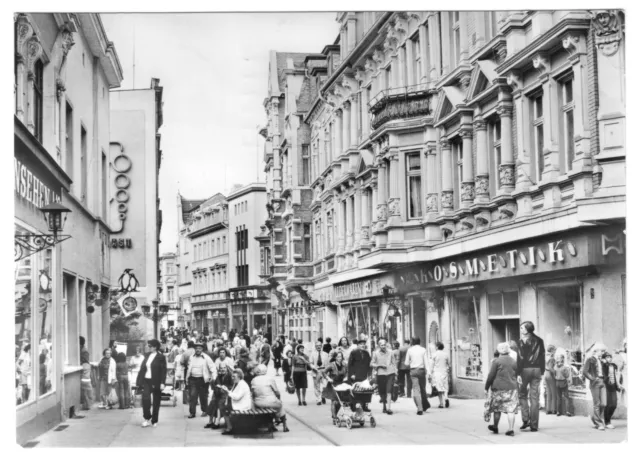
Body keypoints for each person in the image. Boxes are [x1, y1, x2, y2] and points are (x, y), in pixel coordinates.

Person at [485, 342, 519, 437]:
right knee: (511, 409)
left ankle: (495, 426)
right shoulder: (513, 361)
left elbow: (491, 375)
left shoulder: (496, 361)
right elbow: (516, 374)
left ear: (499, 350)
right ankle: (511, 429)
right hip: (512, 388)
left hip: (498, 389)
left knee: (497, 409)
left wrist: (486, 387)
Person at [516, 321, 545, 432]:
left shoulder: (522, 341)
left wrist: (518, 373)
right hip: (537, 370)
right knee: (534, 398)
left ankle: (525, 419)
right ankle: (534, 425)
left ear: (528, 329)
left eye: (522, 328)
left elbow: (520, 357)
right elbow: (542, 356)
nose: (521, 330)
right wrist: (541, 371)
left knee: (522, 394)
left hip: (525, 369)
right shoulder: (540, 340)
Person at [136, 339, 167, 427]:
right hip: (146, 380)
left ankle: (154, 420)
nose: (148, 347)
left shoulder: (161, 357)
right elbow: (142, 369)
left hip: (156, 381)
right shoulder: (147, 355)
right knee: (145, 399)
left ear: (155, 347)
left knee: (156, 401)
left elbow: (163, 371)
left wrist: (162, 383)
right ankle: (147, 417)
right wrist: (139, 381)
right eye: (148, 346)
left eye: (150, 346)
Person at [251, 364, 289, 432]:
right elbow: (277, 392)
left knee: (272, 406)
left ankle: (272, 425)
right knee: (280, 405)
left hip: (259, 403)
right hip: (271, 401)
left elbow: (253, 393)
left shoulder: (253, 380)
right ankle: (284, 425)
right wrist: (279, 399)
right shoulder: (270, 379)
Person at [186, 342, 216, 419]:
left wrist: (214, 377)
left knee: (203, 396)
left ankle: (204, 411)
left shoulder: (206, 358)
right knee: (192, 396)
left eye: (199, 348)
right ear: (194, 349)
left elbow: (213, 368)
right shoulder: (191, 357)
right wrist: (187, 378)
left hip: (203, 380)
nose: (197, 350)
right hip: (193, 379)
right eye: (196, 348)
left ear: (202, 349)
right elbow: (188, 368)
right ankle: (192, 413)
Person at [206, 348, 234, 429]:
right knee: (212, 403)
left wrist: (225, 388)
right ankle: (210, 421)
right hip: (218, 392)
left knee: (220, 404)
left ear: (227, 369)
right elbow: (215, 384)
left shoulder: (229, 376)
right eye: (221, 369)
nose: (222, 370)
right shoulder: (218, 375)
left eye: (224, 369)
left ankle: (217, 422)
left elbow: (232, 386)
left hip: (226, 394)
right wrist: (216, 386)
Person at [583, 342, 608, 430]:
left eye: (603, 351)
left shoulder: (602, 360)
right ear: (596, 351)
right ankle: (598, 423)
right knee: (597, 403)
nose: (603, 353)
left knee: (604, 404)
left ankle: (594, 418)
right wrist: (593, 378)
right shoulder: (590, 359)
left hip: (602, 382)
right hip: (595, 382)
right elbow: (585, 371)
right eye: (602, 351)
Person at [219, 369, 252, 435]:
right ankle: (229, 426)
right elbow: (233, 393)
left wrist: (227, 391)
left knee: (224, 409)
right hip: (239, 403)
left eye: (234, 376)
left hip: (242, 405)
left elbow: (237, 397)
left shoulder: (242, 384)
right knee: (222, 406)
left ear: (239, 377)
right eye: (232, 376)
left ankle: (229, 428)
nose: (232, 378)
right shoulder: (237, 383)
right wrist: (226, 390)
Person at [404, 336, 431, 415]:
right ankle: (425, 404)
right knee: (422, 388)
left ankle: (420, 408)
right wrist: (429, 373)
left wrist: (410, 364)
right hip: (422, 371)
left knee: (416, 389)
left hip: (413, 371)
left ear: (412, 342)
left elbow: (406, 363)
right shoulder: (423, 350)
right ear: (419, 342)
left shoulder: (410, 350)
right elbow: (426, 362)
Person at [371, 338, 397, 415]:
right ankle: (384, 406)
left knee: (389, 391)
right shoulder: (375, 353)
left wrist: (396, 373)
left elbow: (394, 363)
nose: (383, 346)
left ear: (386, 345)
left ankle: (389, 408)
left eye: (384, 344)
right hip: (381, 374)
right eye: (381, 345)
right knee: (382, 391)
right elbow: (372, 363)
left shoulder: (391, 352)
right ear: (379, 346)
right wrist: (379, 365)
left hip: (390, 373)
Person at [322, 351, 348, 419]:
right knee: (334, 400)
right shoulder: (331, 365)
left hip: (341, 384)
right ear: (335, 357)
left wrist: (346, 377)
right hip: (333, 384)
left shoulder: (344, 364)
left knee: (340, 401)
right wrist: (328, 378)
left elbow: (347, 372)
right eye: (338, 357)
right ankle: (334, 416)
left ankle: (335, 414)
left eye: (341, 356)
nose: (340, 358)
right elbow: (324, 372)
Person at [602, 351, 623, 429]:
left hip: (613, 387)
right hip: (607, 387)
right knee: (608, 405)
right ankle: (607, 421)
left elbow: (617, 374)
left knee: (614, 405)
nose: (609, 359)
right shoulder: (603, 365)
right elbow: (604, 376)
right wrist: (604, 363)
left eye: (610, 357)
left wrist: (618, 384)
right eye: (607, 357)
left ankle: (608, 419)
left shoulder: (614, 365)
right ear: (604, 358)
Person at [432, 342, 450, 409]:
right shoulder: (446, 354)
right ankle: (446, 398)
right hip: (444, 372)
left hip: (437, 372)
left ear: (437, 347)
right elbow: (449, 364)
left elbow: (432, 365)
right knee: (445, 387)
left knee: (439, 388)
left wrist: (431, 373)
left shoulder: (435, 354)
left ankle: (441, 404)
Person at [554, 352, 572, 417]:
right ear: (563, 360)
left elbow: (554, 374)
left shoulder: (555, 367)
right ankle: (567, 411)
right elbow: (567, 375)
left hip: (557, 383)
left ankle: (558, 411)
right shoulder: (564, 368)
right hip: (563, 383)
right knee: (566, 397)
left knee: (558, 398)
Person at [79, 337, 93, 410]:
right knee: (85, 390)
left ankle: (87, 405)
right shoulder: (83, 350)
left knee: (85, 389)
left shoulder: (84, 351)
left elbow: (84, 360)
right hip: (85, 369)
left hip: (85, 369)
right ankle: (87, 404)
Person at [544, 344, 558, 415]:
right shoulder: (552, 358)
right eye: (555, 350)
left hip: (546, 374)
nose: (555, 351)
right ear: (552, 350)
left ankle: (548, 409)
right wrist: (556, 372)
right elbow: (550, 368)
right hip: (550, 374)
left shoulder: (546, 356)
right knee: (553, 393)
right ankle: (554, 409)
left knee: (548, 393)